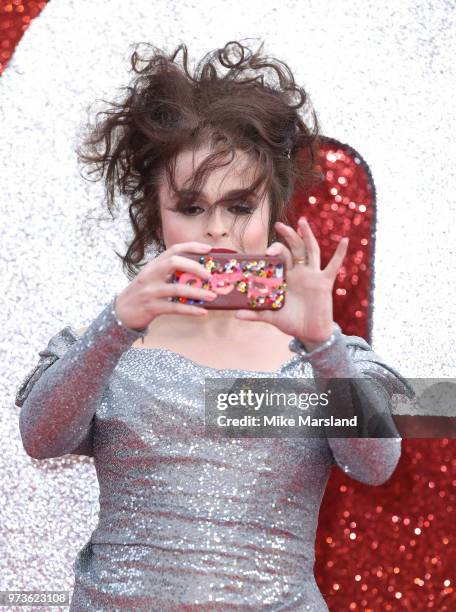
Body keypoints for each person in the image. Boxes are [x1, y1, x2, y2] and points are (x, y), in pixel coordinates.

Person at [15, 40, 412, 611]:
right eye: (192, 206)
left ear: (273, 208)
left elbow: (376, 465)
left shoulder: (324, 358)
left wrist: (323, 346)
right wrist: (116, 326)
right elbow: (41, 439)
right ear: (157, 213)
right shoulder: (107, 346)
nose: (218, 231)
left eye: (240, 206)